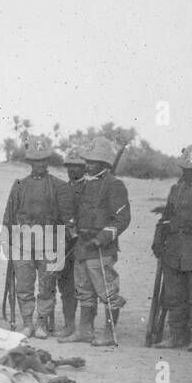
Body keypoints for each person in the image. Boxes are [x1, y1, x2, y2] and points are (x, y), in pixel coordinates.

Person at [60, 136, 130, 346]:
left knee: (107, 291)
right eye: (86, 161)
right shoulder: (88, 185)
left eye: (91, 162)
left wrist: (101, 238)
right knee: (84, 291)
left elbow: (122, 218)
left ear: (103, 163)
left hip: (101, 249)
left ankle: (109, 334)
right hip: (82, 246)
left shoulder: (115, 185)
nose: (86, 165)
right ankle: (85, 331)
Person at [2, 136, 67, 338]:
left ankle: (41, 323)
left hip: (49, 244)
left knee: (47, 286)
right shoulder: (19, 184)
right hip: (22, 244)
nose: (39, 164)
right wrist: (7, 241)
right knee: (23, 285)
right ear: (29, 163)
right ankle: (27, 322)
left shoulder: (58, 186)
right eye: (35, 161)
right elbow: (9, 216)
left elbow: (65, 218)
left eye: (43, 160)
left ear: (47, 161)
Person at [151, 143, 192, 350]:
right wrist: (158, 238)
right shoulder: (176, 189)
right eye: (186, 170)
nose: (189, 173)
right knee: (174, 295)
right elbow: (167, 216)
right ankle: (176, 335)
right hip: (174, 251)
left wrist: (181, 225)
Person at [53, 146, 88, 337]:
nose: (73, 170)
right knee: (66, 286)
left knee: (84, 286)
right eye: (70, 166)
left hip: (84, 245)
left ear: (85, 168)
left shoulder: (91, 189)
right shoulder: (61, 188)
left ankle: (84, 327)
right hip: (64, 245)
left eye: (78, 166)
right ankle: (69, 324)